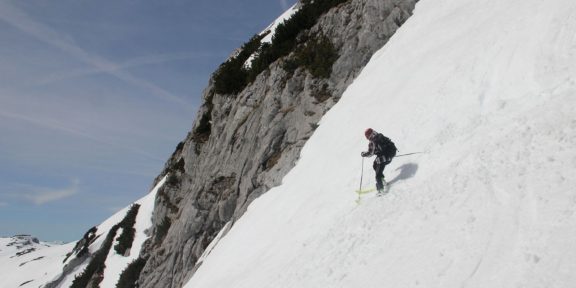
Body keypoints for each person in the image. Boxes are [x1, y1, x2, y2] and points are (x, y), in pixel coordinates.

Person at [361, 128, 397, 194]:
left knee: (378, 174)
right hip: (387, 155)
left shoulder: (375, 141)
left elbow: (371, 153)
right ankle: (382, 181)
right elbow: (372, 152)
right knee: (375, 164)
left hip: (385, 157)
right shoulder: (378, 137)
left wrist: (364, 154)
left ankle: (381, 189)